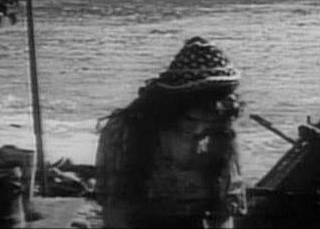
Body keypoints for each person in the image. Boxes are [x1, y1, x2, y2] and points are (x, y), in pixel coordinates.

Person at [95, 36, 247, 228]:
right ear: (170, 111)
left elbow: (224, 213)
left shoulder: (221, 136)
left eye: (208, 124)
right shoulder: (126, 132)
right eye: (190, 121)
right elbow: (114, 211)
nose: (198, 130)